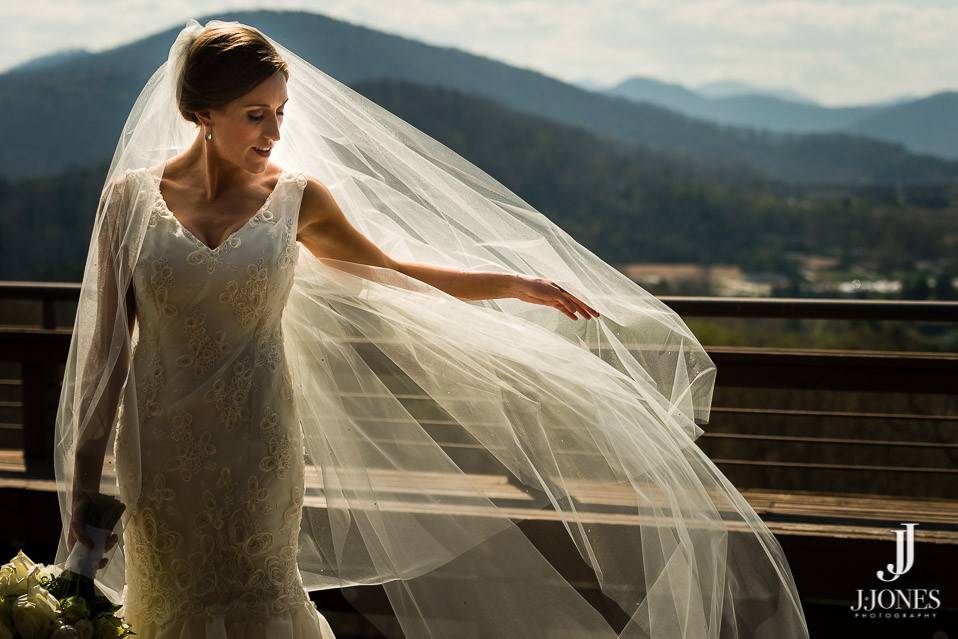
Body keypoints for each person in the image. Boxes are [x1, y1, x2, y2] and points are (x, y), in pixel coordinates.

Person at [54, 17, 810, 639]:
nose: (274, 133)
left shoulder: (297, 198)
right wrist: (83, 497)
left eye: (281, 113)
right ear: (202, 113)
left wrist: (512, 284)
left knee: (257, 597)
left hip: (257, 446)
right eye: (256, 115)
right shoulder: (128, 202)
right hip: (158, 453)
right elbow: (104, 362)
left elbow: (393, 272)